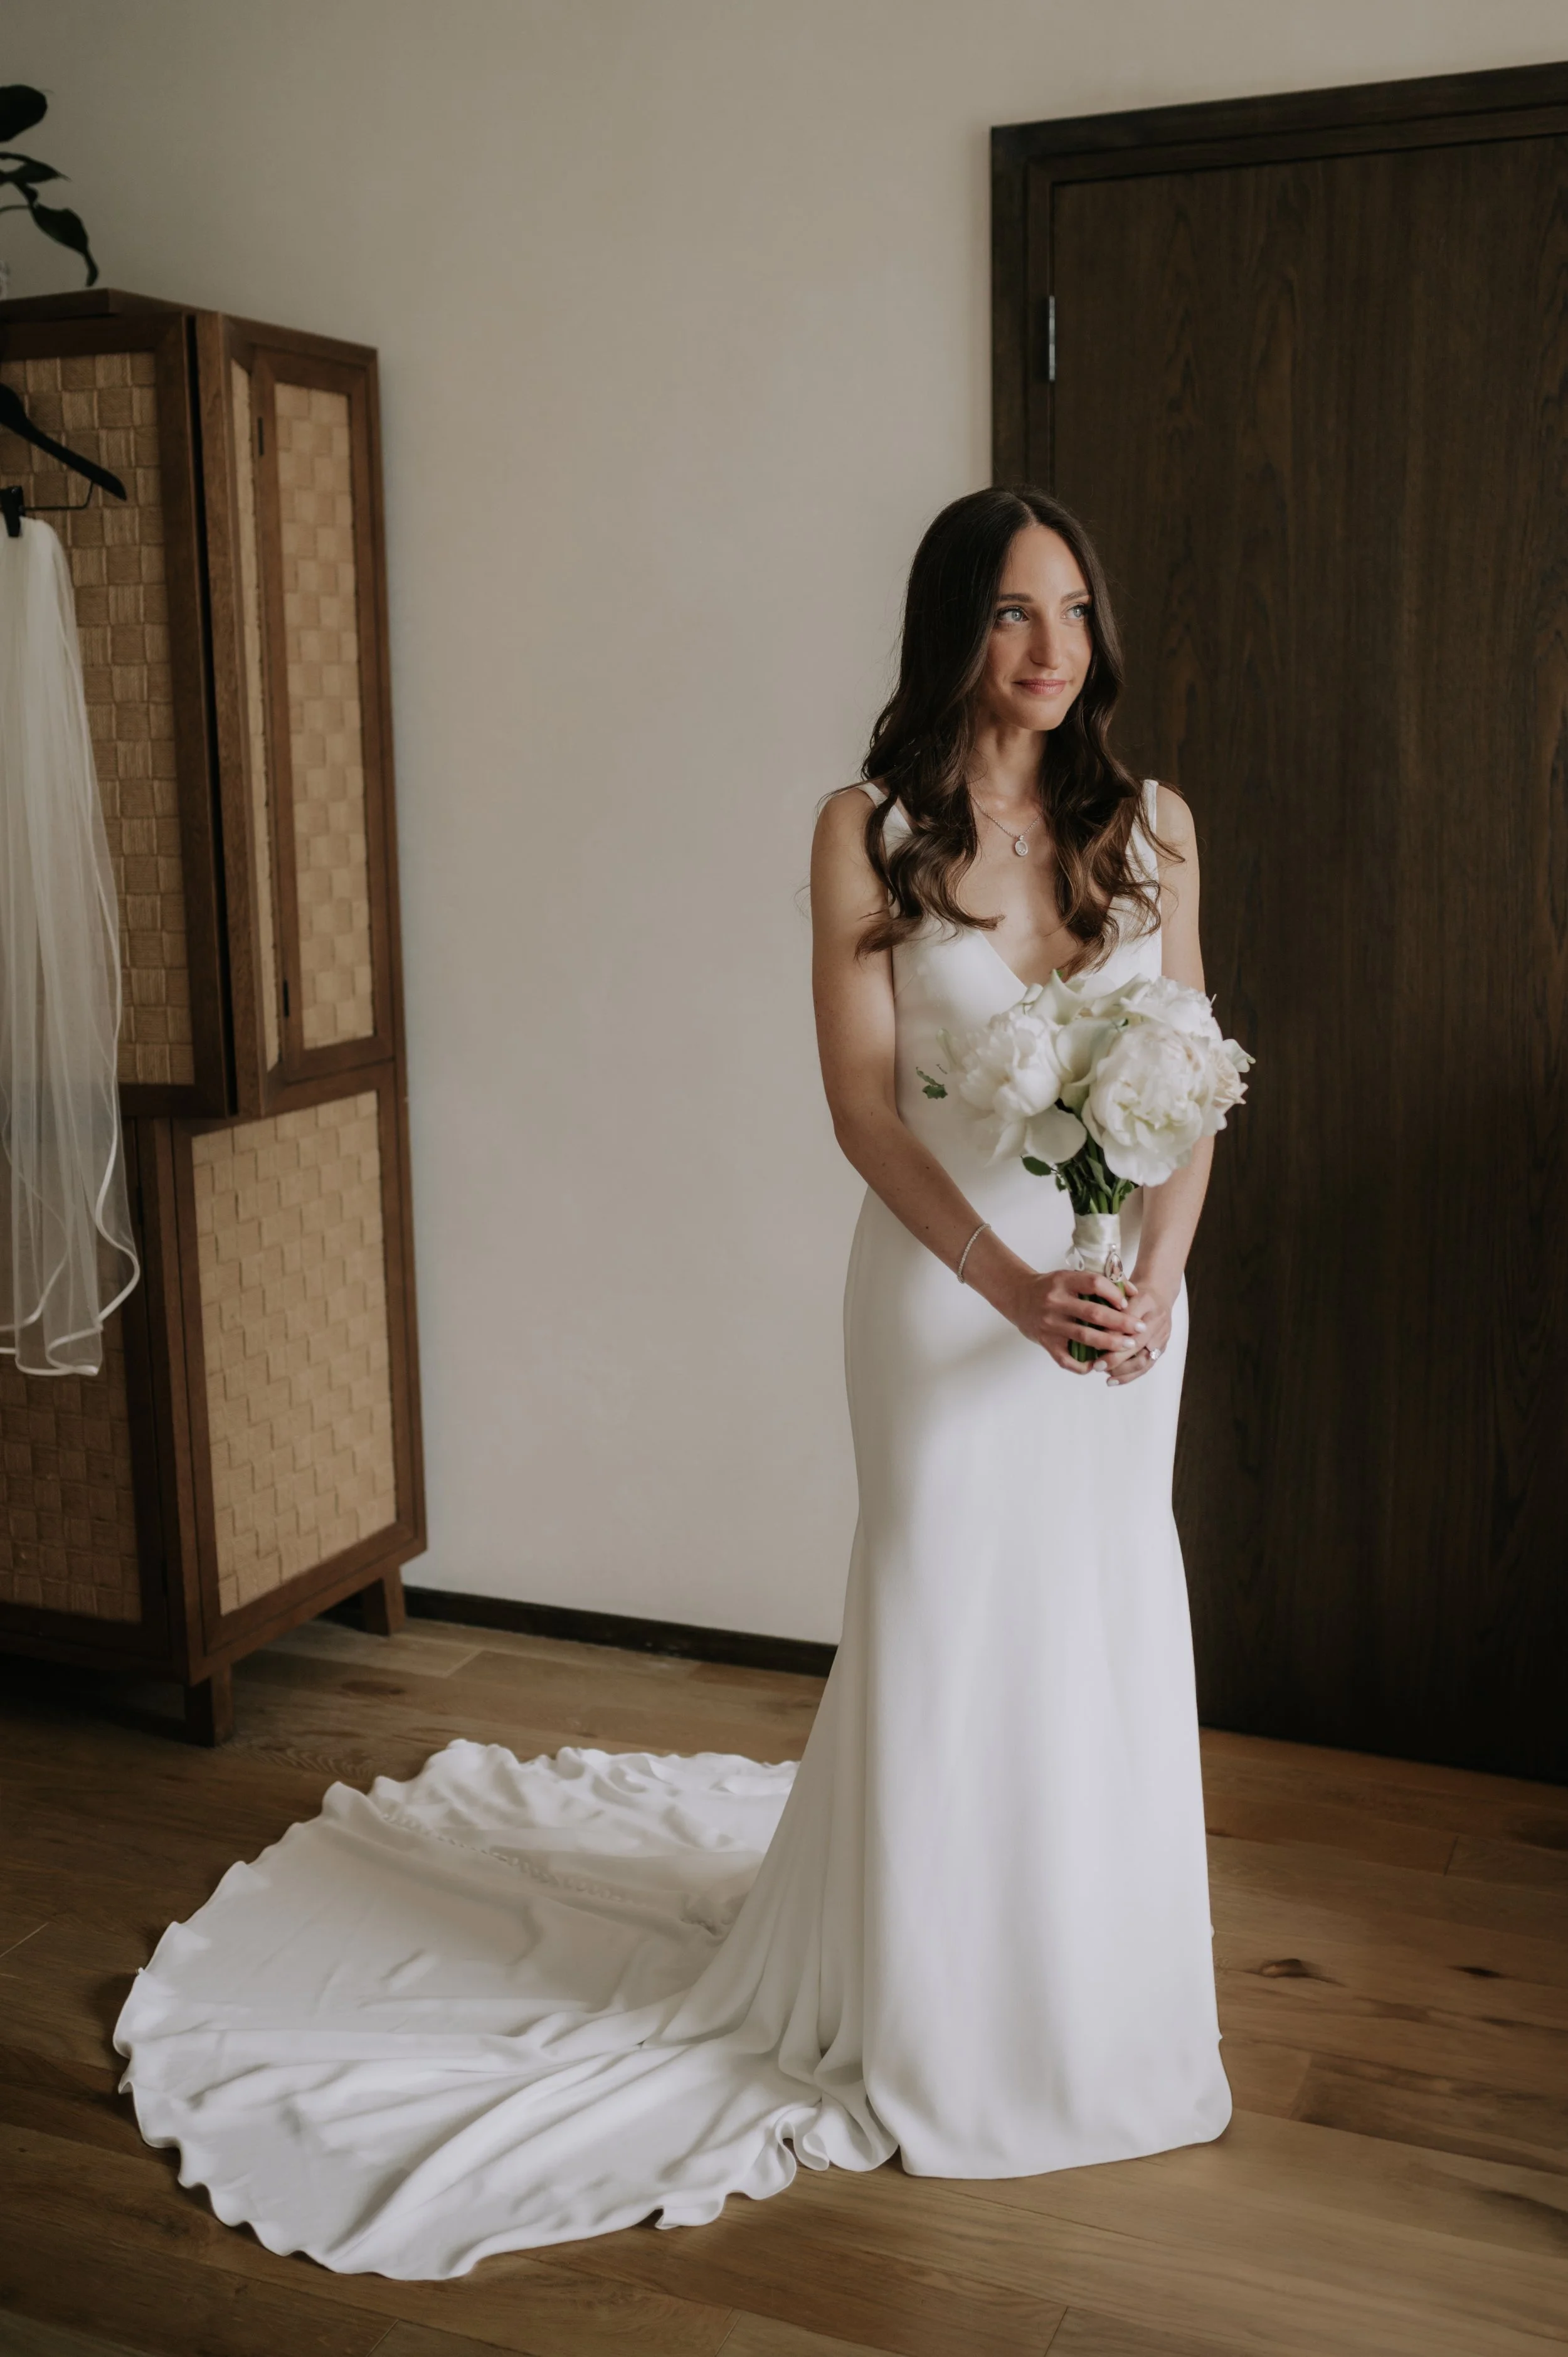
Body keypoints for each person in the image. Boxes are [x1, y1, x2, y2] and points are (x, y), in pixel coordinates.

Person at [113, 486, 1232, 2282]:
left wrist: (1150, 1282)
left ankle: (1089, 1989)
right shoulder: (861, 834)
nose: (1051, 651)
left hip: (1116, 1305)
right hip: (954, 1292)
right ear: (948, 626)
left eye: (1075, 614)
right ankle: (932, 2004)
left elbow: (1189, 1072)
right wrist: (1011, 1281)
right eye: (1015, 613)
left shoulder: (1153, 824)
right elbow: (865, 1106)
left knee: (1099, 1618)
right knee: (947, 1615)